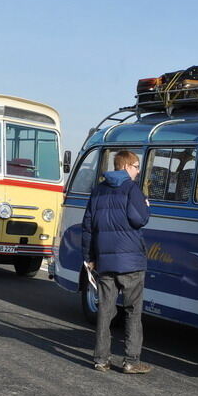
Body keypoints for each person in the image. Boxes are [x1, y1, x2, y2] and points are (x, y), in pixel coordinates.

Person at [81, 150, 152, 374]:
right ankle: (131, 361)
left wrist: (89, 257)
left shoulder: (98, 190)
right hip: (131, 261)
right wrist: (146, 206)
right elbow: (139, 219)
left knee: (105, 310)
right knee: (132, 310)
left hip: (105, 261)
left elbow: (88, 226)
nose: (138, 171)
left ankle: (101, 360)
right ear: (126, 167)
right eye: (136, 166)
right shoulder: (132, 189)